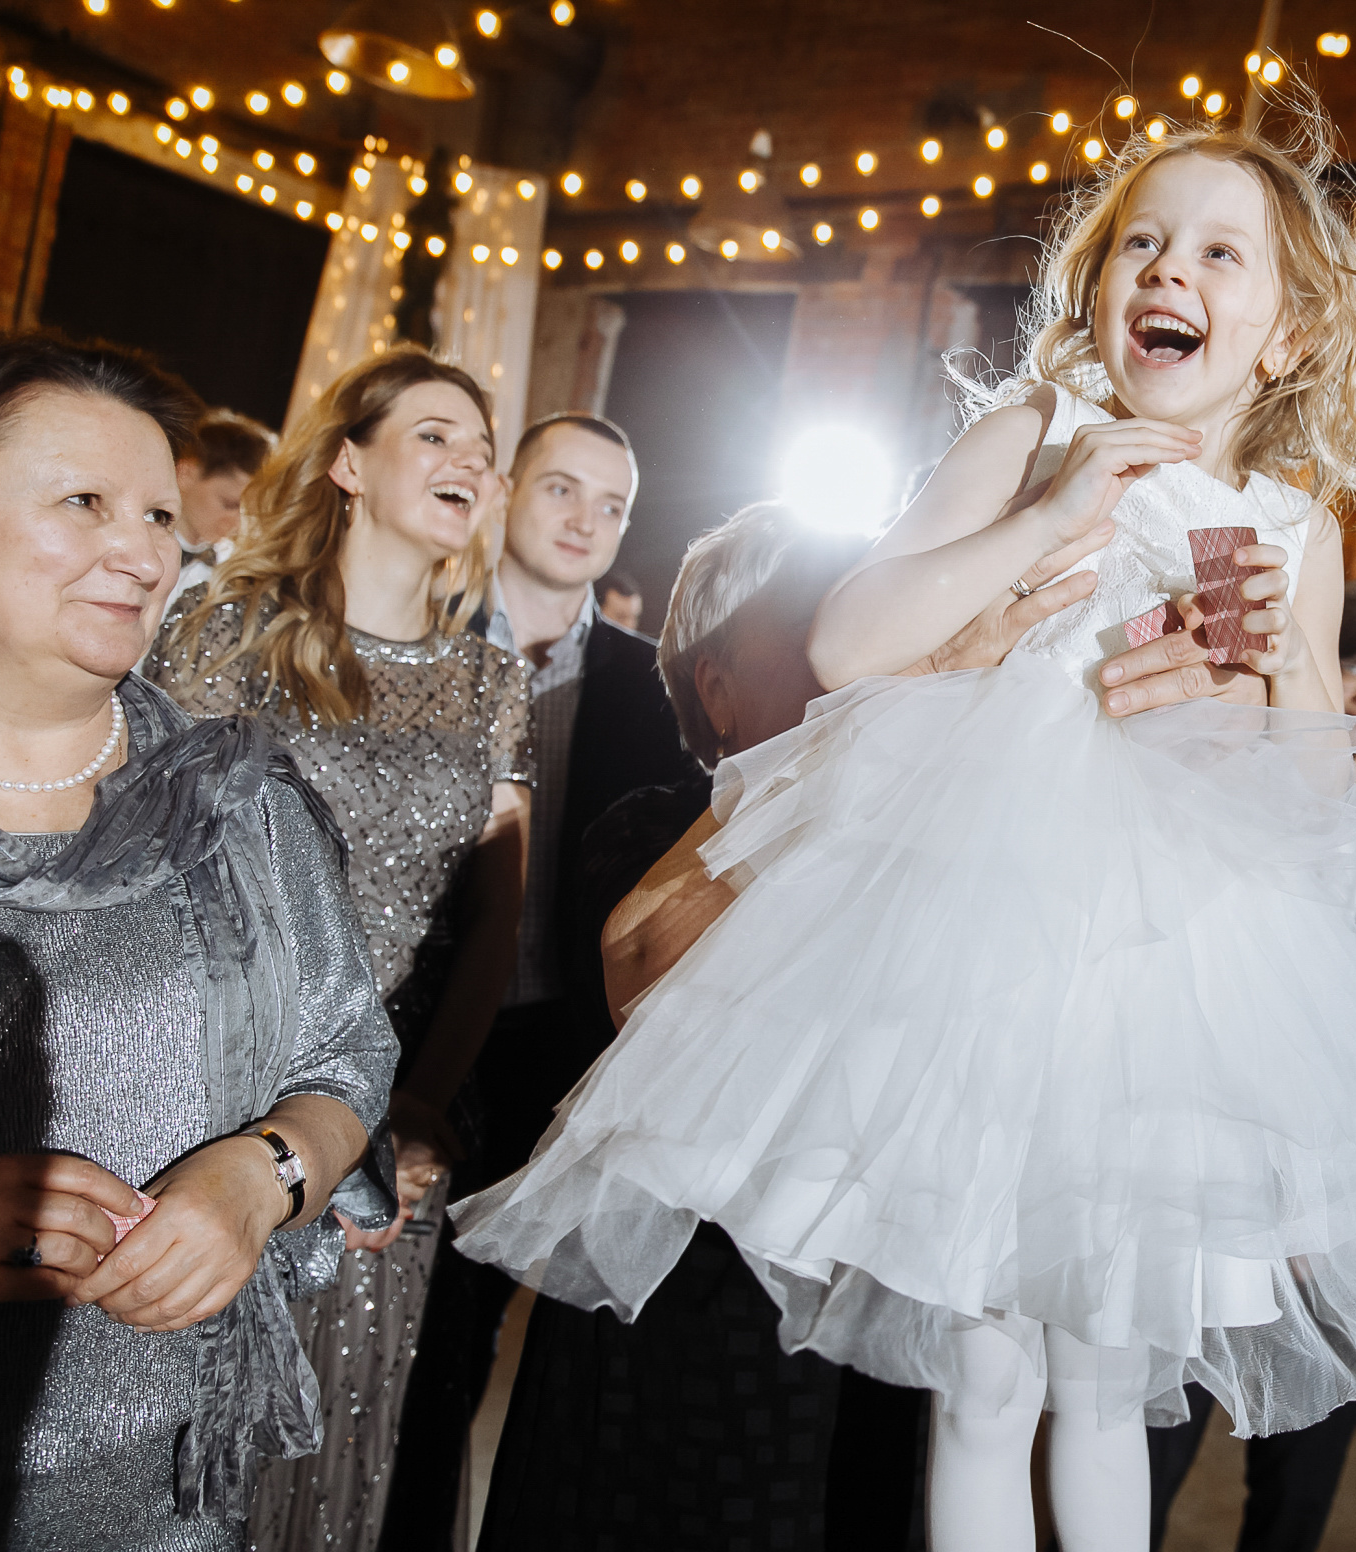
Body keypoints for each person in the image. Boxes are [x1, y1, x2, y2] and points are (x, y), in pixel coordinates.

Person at [456, 97, 1356, 1551]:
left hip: (1155, 979)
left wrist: (1280, 669)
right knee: (986, 1380)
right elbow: (850, 641)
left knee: (1108, 1382)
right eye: (1142, 243)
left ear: (1290, 334)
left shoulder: (1295, 530)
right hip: (979, 941)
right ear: (1100, 286)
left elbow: (1316, 818)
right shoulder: (1035, 433)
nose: (1168, 271)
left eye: (1218, 254)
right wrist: (1050, 514)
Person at [478, 503, 1167, 1551]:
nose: (880, 648)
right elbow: (644, 967)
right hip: (678, 1370)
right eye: (827, 630)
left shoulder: (946, 849)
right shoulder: (649, 823)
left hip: (865, 1380)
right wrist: (886, 713)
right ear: (716, 687)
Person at [0, 329, 395, 1547]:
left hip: (173, 1487)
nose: (144, 552)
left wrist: (262, 1178)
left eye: (158, 514)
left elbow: (349, 1055)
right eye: (84, 503)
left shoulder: (236, 801)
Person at [148, 347, 532, 1552]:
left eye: (482, 448)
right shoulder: (226, 636)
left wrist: (416, 1104)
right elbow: (157, 875)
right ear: (350, 464)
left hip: (399, 1123)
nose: (469, 459)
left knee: (336, 1454)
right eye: (435, 434)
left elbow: (495, 922)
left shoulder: (492, 681)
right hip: (217, 1096)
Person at [386, 411, 703, 1543]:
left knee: (476, 1341)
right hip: (409, 1029)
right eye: (564, 488)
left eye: (612, 506)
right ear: (509, 487)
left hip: (560, 1046)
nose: (585, 521)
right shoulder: (414, 637)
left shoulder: (650, 684)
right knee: (387, 1322)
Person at [1144, 575, 1356, 1552]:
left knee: (1306, 1457)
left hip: (1345, 1174)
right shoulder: (1241, 787)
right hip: (1217, 1141)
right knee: (1155, 1418)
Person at [166, 408, 276, 612]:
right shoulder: (138, 539)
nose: (237, 523)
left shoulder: (233, 571)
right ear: (185, 473)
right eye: (229, 504)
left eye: (248, 512)